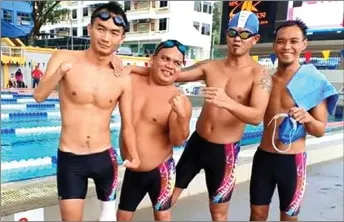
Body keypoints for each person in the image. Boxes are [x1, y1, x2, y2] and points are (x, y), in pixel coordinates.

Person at [131, 11, 272, 221]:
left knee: (218, 211)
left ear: (255, 39)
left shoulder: (259, 75)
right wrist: (130, 69)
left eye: (244, 34)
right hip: (196, 144)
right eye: (233, 32)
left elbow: (256, 116)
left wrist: (227, 102)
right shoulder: (210, 66)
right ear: (226, 34)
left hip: (224, 152)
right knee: (167, 198)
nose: (236, 38)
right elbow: (170, 72)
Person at [33, 2, 139, 221]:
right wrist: (60, 73)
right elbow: (39, 95)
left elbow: (128, 124)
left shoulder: (122, 77)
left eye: (114, 33)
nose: (106, 37)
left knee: (108, 218)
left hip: (105, 158)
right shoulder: (64, 57)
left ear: (122, 38)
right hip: (71, 158)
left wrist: (134, 155)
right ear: (89, 29)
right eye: (100, 29)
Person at [249, 20, 338, 221]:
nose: (287, 47)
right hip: (263, 157)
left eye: (293, 41)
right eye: (281, 41)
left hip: (292, 162)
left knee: (289, 218)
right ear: (274, 46)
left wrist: (306, 117)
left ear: (303, 45)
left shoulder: (315, 81)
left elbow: (320, 130)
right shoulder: (265, 81)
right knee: (256, 215)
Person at [116, 40, 193, 221]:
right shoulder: (132, 81)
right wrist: (130, 67)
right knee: (122, 217)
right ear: (153, 59)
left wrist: (182, 117)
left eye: (176, 63)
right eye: (165, 59)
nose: (170, 66)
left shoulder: (179, 100)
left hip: (161, 169)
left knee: (162, 216)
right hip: (132, 169)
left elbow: (177, 140)